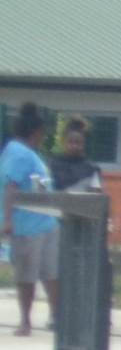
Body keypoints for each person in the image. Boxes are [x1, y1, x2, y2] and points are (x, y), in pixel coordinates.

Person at [3, 105, 53, 337]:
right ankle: (25, 320)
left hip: (45, 222)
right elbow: (10, 186)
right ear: (36, 131)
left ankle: (58, 317)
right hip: (26, 225)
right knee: (26, 275)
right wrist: (7, 219)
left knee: (51, 273)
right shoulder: (19, 153)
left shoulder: (31, 154)